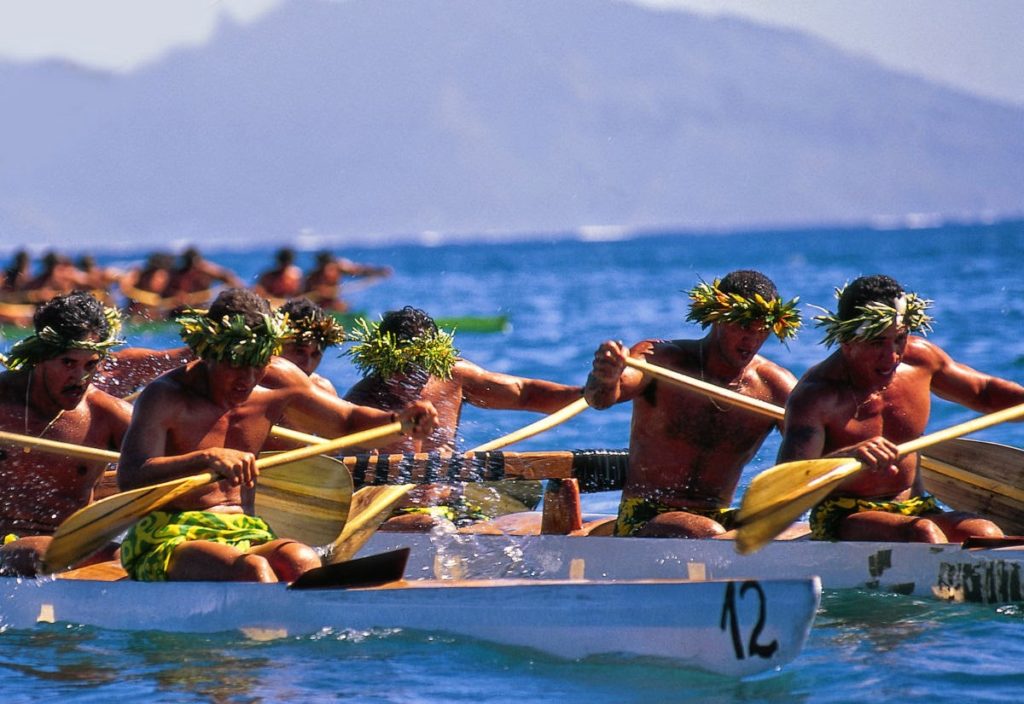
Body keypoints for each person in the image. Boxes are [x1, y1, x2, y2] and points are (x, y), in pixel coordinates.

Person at [116, 288, 437, 582]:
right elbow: (130, 477)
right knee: (253, 569)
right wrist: (204, 459)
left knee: (302, 559)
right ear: (208, 351)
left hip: (247, 530)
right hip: (170, 536)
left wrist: (398, 419)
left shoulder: (277, 380)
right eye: (237, 364)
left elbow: (348, 421)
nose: (248, 378)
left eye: (258, 364)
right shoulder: (165, 397)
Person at [778, 274, 1024, 543]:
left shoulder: (920, 361)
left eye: (899, 339)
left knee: (985, 532)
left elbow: (984, 392)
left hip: (916, 508)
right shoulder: (815, 396)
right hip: (844, 515)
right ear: (847, 343)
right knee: (923, 534)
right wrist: (848, 456)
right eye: (876, 343)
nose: (892, 355)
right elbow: (787, 485)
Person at [584, 270, 801, 538]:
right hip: (644, 516)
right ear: (716, 317)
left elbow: (814, 439)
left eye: (762, 330)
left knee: (789, 528)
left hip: (717, 517)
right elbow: (601, 399)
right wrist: (605, 377)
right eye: (743, 326)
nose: (752, 340)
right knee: (708, 532)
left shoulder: (774, 385)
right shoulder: (661, 359)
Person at [342, 306, 582, 530]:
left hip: (453, 504)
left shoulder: (452, 378)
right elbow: (350, 483)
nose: (411, 374)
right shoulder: (361, 403)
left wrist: (588, 394)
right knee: (434, 527)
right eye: (401, 365)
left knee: (519, 508)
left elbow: (524, 393)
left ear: (435, 358)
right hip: (390, 514)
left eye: (421, 365)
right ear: (379, 359)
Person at [0, 291, 133, 575]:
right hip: (9, 546)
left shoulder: (107, 415)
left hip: (75, 548)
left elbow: (165, 466)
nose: (80, 379)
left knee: (129, 556)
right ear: (40, 357)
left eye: (91, 364)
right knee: (45, 551)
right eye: (68, 363)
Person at [303, 250, 392, 312]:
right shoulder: (313, 277)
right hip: (320, 307)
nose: (328, 272)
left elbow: (359, 270)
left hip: (335, 305)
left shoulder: (339, 267)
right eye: (324, 269)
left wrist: (378, 271)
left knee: (343, 306)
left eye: (330, 268)